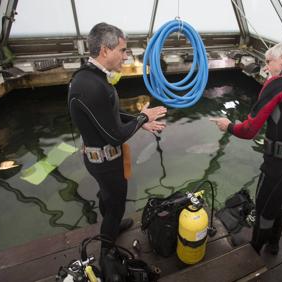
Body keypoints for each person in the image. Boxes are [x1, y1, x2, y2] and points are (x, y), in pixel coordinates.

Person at [210, 43, 282, 255]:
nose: (266, 67)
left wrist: (229, 126)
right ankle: (273, 245)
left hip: (278, 168)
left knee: (263, 210)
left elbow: (249, 130)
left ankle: (254, 253)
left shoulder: (276, 84)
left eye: (268, 62)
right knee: (280, 204)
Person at [68, 23, 167, 254]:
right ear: (105, 50)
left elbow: (108, 115)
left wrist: (140, 122)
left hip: (98, 160)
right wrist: (143, 117)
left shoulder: (88, 77)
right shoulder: (91, 87)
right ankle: (107, 252)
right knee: (116, 204)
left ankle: (110, 225)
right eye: (122, 50)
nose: (126, 56)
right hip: (106, 163)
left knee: (107, 197)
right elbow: (114, 135)